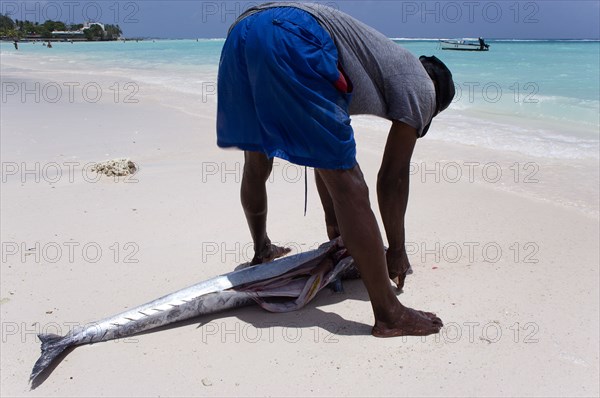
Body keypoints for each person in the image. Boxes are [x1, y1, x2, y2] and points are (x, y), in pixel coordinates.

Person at [216, 3, 454, 337]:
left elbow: (321, 153)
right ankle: (389, 314)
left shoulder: (379, 62)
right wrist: (396, 252)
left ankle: (262, 249)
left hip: (243, 34)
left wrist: (337, 230)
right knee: (351, 183)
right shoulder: (424, 87)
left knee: (257, 160)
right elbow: (392, 179)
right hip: (294, 35)